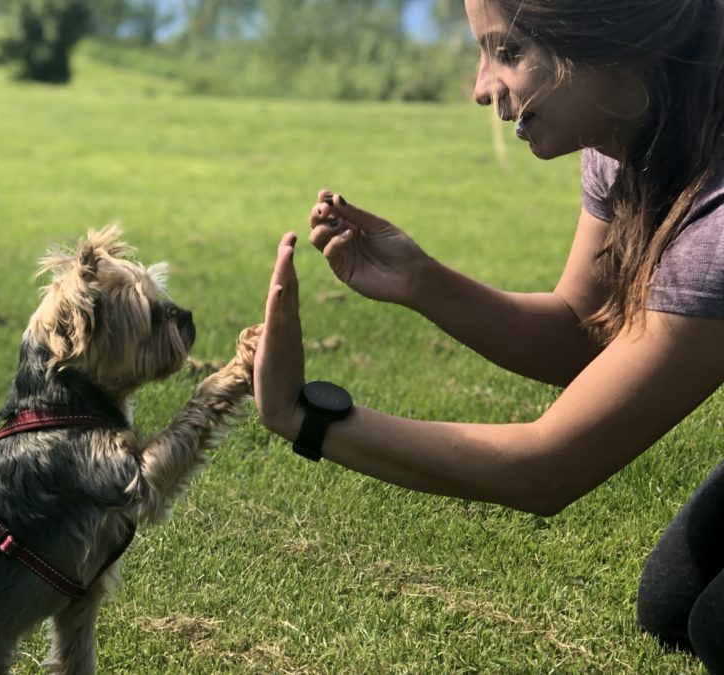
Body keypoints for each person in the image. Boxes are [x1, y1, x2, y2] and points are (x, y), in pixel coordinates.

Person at [252, 0, 724, 669]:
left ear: (608, 39)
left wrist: (304, 418)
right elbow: (584, 333)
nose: (480, 89)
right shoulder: (627, 137)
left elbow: (546, 469)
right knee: (673, 605)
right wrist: (422, 281)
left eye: (508, 52)